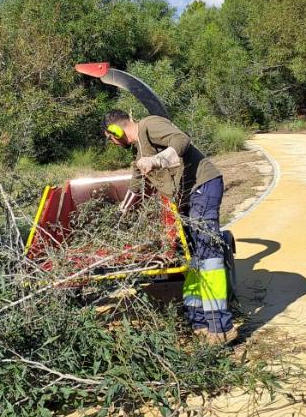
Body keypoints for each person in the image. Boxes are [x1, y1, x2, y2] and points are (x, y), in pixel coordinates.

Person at [102, 109, 237, 344]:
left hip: (202, 186)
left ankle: (221, 327)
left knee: (208, 254)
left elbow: (181, 139)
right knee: (192, 258)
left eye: (110, 138)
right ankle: (199, 322)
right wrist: (119, 215)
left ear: (115, 131)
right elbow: (135, 188)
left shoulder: (149, 124)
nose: (112, 143)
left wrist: (157, 160)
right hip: (186, 198)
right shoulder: (138, 154)